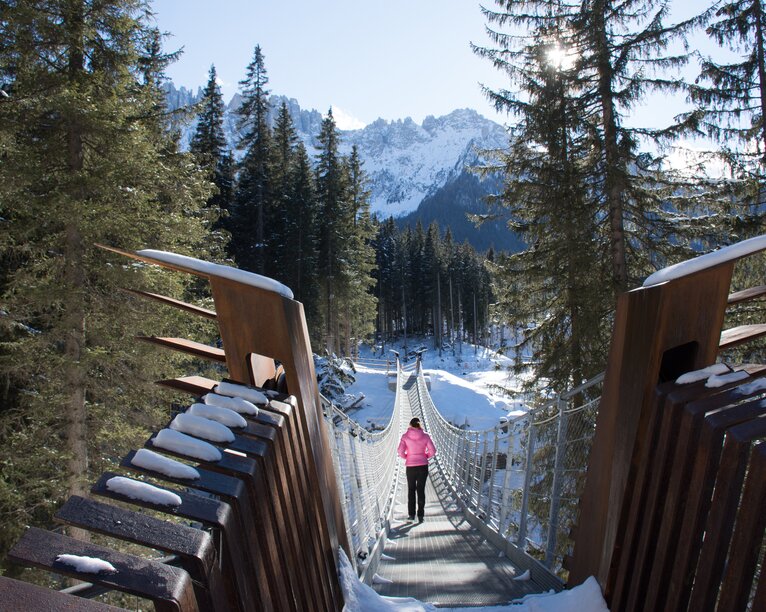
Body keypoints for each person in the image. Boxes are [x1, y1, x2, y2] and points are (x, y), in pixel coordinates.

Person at [397, 417, 437, 523]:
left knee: (411, 490)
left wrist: (407, 457)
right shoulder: (426, 436)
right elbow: (433, 450)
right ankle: (420, 515)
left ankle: (411, 515)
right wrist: (425, 456)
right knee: (421, 490)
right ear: (420, 425)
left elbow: (400, 451)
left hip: (410, 466)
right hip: (423, 466)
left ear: (410, 425)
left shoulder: (405, 436)